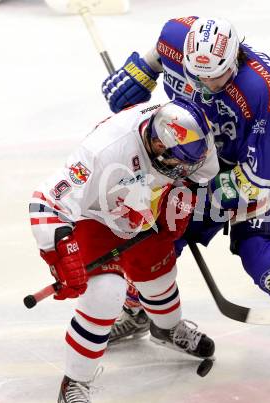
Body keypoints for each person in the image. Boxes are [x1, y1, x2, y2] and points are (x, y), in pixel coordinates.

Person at [101, 16, 270, 402]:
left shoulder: (264, 85)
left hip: (267, 168)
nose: (202, 87)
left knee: (264, 259)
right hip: (202, 152)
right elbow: (152, 63)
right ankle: (140, 307)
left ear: (234, 60)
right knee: (151, 234)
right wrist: (138, 75)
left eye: (213, 78)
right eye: (195, 76)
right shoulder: (174, 36)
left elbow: (254, 184)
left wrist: (194, 202)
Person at [29, 98, 218, 402]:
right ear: (157, 145)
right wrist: (60, 255)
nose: (182, 167)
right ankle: (74, 384)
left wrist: (183, 194)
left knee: (160, 273)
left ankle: (166, 330)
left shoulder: (194, 137)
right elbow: (44, 202)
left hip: (143, 204)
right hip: (95, 215)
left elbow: (200, 172)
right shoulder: (103, 151)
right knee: (105, 294)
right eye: (176, 163)